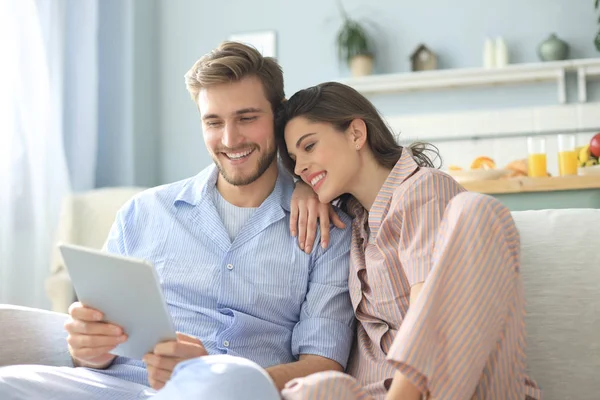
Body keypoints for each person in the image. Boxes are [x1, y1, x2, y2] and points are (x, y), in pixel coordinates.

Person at [0, 43, 355, 400]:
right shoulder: (143, 212)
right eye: (213, 122)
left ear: (278, 119)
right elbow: (93, 349)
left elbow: (323, 364)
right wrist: (88, 351)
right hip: (115, 387)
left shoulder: (328, 228)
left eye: (246, 118)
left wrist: (215, 377)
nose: (230, 140)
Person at [268, 82, 542, 400]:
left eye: (309, 147)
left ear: (356, 134)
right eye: (293, 158)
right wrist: (301, 187)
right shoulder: (350, 220)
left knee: (476, 209)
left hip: (443, 387)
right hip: (372, 391)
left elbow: (432, 312)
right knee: (312, 390)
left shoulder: (424, 191)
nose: (299, 166)